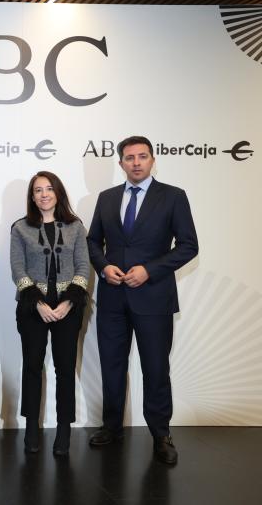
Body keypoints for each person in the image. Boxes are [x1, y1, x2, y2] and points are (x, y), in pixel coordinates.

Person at [87, 136, 198, 465]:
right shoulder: (107, 198)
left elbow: (188, 245)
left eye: (142, 156)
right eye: (129, 157)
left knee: (155, 368)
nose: (136, 162)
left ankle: (161, 434)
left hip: (153, 298)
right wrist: (104, 266)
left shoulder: (173, 197)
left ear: (152, 160)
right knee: (112, 366)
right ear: (120, 163)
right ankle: (112, 427)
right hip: (112, 299)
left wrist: (149, 270)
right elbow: (93, 241)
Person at [10, 171, 89, 456]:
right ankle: (32, 428)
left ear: (58, 193)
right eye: (37, 190)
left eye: (48, 189)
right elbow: (17, 269)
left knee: (65, 369)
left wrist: (69, 302)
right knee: (32, 366)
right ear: (32, 197)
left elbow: (83, 266)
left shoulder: (76, 226)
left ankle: (64, 431)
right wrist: (37, 303)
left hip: (69, 308)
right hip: (33, 309)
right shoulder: (20, 228)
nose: (44, 194)